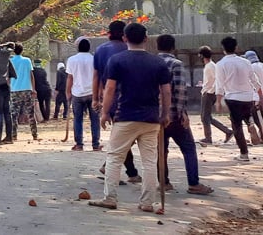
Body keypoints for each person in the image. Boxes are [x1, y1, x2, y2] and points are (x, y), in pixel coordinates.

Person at [89, 23, 171, 212]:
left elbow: (109, 88)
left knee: (114, 157)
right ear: (146, 39)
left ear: (125, 38)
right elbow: (166, 91)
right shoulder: (158, 62)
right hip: (151, 118)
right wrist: (165, 114)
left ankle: (110, 197)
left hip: (125, 116)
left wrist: (104, 112)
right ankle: (147, 202)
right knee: (150, 161)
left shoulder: (117, 60)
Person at [157, 34, 213, 195]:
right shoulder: (176, 64)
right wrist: (182, 113)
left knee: (161, 149)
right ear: (173, 47)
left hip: (155, 116)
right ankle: (193, 183)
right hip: (173, 115)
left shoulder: (151, 63)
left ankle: (164, 182)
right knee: (188, 148)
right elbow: (180, 90)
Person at [94, 20, 140, 182]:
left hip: (109, 98)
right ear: (124, 35)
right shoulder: (129, 49)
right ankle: (112, 168)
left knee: (124, 134)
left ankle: (132, 172)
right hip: (128, 98)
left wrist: (96, 98)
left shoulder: (100, 50)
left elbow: (96, 76)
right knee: (129, 135)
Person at [215, 36, 263, 161]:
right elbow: (254, 81)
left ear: (223, 49)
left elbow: (219, 85)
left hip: (232, 97)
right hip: (248, 97)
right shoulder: (246, 62)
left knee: (237, 126)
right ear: (236, 47)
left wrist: (218, 101)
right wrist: (260, 95)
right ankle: (250, 122)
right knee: (247, 114)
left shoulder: (220, 64)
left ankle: (244, 154)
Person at [67, 38, 100, 151]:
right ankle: (95, 144)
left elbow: (70, 78)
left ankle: (79, 144)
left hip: (77, 93)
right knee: (95, 119)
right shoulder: (94, 59)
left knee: (78, 119)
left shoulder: (72, 60)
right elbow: (98, 77)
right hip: (92, 93)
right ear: (89, 48)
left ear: (78, 47)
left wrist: (68, 92)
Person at [198, 46, 234, 145]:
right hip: (207, 92)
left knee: (205, 117)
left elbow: (217, 80)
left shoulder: (210, 66)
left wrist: (210, 90)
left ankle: (208, 138)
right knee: (207, 117)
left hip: (209, 94)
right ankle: (227, 131)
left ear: (201, 56)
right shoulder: (210, 65)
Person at [10, 43, 38, 141]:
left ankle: (13, 135)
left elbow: (8, 77)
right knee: (30, 113)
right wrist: (33, 89)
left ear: (13, 50)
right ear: (22, 50)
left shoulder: (10, 61)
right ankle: (34, 134)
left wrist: (9, 86)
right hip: (27, 89)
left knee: (14, 114)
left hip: (14, 89)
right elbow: (31, 75)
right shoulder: (27, 60)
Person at [242, 50, 263, 143]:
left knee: (257, 117)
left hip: (256, 96)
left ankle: (261, 135)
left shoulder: (250, 68)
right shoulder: (262, 65)